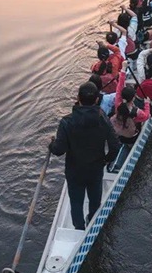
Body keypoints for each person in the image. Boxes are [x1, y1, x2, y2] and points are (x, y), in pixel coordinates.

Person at [49, 81, 120, 230]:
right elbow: (115, 146)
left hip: (74, 171)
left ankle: (79, 227)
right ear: (96, 100)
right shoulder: (103, 118)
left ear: (78, 98)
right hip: (95, 169)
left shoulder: (66, 122)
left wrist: (52, 144)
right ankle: (92, 221)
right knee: (95, 200)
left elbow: (59, 150)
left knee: (76, 202)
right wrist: (106, 160)